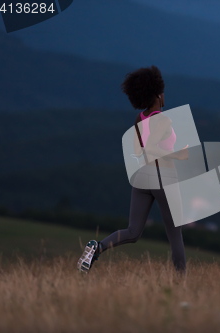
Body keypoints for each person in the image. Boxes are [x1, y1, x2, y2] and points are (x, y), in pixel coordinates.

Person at [77, 65, 187, 273]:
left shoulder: (140, 119)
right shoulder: (163, 120)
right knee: (175, 234)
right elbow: (154, 149)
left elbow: (139, 150)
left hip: (142, 177)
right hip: (164, 177)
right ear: (158, 94)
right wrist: (178, 155)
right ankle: (182, 283)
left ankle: (97, 248)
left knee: (133, 231)